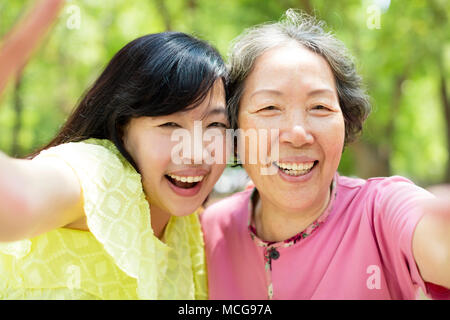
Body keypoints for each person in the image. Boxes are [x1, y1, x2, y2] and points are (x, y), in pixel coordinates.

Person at [200, 10, 450, 300]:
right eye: (269, 108)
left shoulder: (380, 212)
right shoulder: (211, 229)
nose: (297, 133)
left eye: (319, 107)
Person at [0, 31, 229, 299]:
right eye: (170, 124)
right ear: (122, 129)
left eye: (215, 125)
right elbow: (21, 199)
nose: (197, 153)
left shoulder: (190, 229)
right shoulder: (102, 173)